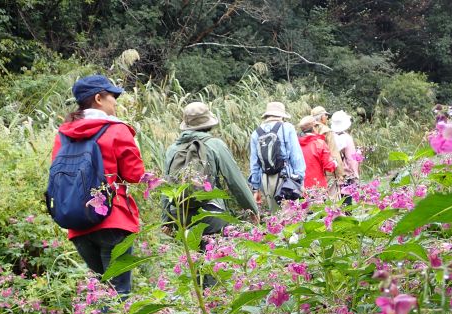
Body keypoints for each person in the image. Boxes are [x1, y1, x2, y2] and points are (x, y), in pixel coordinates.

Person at [52, 75, 145, 298]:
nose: (115, 102)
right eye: (112, 96)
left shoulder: (63, 135)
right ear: (98, 99)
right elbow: (135, 175)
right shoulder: (117, 130)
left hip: (77, 223)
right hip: (114, 219)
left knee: (104, 292)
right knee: (119, 293)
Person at [163, 101, 259, 235]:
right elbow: (235, 181)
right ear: (209, 124)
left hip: (179, 217)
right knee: (216, 252)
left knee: (189, 255)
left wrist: (165, 221)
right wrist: (252, 210)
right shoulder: (215, 145)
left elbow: (166, 186)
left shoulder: (172, 149)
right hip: (211, 215)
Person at [249, 102, 305, 213]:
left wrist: (255, 188)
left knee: (276, 216)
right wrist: (300, 181)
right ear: (282, 116)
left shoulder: (256, 133)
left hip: (266, 180)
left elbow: (254, 164)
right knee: (293, 216)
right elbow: (296, 156)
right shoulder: (287, 128)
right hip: (287, 178)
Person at [311, 106, 344, 198]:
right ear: (321, 117)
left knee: (318, 200)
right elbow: (334, 153)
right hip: (328, 170)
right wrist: (340, 173)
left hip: (314, 171)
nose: (327, 118)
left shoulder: (309, 131)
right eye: (326, 115)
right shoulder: (327, 131)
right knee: (334, 199)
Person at [297, 115, 338, 190]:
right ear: (314, 128)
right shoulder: (319, 143)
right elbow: (328, 166)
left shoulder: (295, 144)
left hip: (300, 186)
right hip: (318, 186)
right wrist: (335, 162)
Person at [330, 110, 359, 204]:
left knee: (335, 203)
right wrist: (355, 174)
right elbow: (351, 159)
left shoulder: (329, 137)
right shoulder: (347, 138)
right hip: (345, 175)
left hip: (332, 174)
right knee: (346, 203)